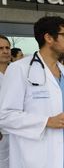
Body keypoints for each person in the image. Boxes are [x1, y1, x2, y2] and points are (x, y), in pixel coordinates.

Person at [0, 16, 64, 168]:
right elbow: (5, 116)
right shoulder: (20, 69)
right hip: (40, 159)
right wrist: (46, 122)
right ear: (48, 38)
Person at [0, 34, 11, 168]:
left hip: (17, 132)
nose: (5, 51)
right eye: (1, 48)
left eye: (7, 47)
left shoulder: (17, 72)